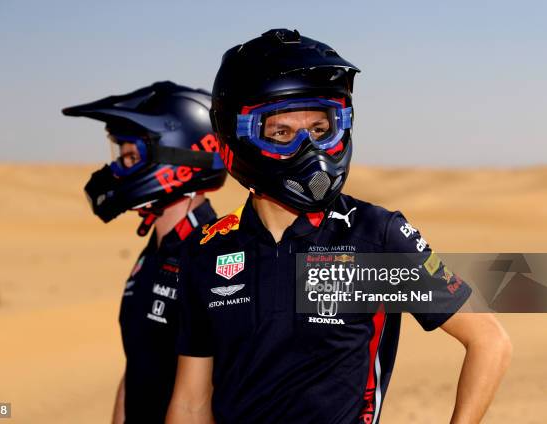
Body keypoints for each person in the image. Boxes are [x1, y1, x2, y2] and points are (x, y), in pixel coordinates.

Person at [166, 30, 511, 423]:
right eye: (281, 132)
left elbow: (489, 340)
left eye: (319, 129)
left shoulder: (374, 235)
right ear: (235, 134)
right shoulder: (206, 251)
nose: (307, 149)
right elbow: (191, 402)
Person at [62, 81, 227, 424]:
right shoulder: (154, 252)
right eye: (119, 154)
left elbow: (204, 399)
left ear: (175, 157)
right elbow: (137, 363)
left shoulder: (214, 259)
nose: (115, 170)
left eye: (130, 156)